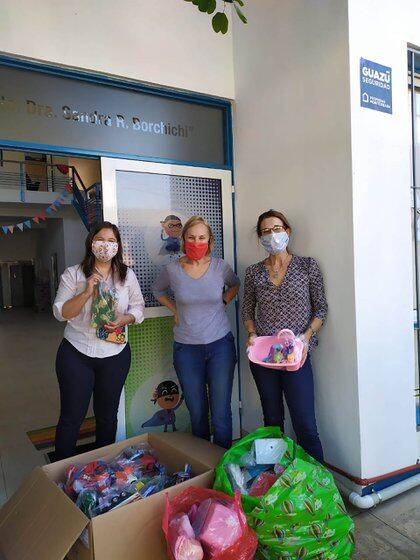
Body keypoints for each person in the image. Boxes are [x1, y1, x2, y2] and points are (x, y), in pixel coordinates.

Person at [53, 221, 145, 460]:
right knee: (72, 417)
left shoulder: (127, 275)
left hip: (115, 355)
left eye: (112, 241)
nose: (106, 245)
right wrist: (85, 292)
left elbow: (139, 307)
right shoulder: (73, 274)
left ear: (118, 246)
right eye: (101, 240)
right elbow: (61, 312)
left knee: (107, 416)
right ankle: (61, 474)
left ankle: (102, 471)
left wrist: (125, 318)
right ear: (91, 243)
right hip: (76, 353)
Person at [242, 209, 328, 463]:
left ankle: (317, 484)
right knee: (271, 421)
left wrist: (306, 337)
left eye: (277, 229)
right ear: (260, 237)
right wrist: (251, 334)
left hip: (296, 357)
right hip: (264, 357)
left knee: (305, 424)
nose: (272, 235)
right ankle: (274, 479)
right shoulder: (254, 272)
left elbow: (321, 308)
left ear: (287, 231)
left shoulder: (307, 266)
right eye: (266, 231)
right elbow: (247, 308)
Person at [152, 216, 240, 449]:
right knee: (197, 411)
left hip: (220, 345)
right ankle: (204, 464)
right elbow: (156, 289)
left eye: (201, 237)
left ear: (209, 240)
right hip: (186, 349)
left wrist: (223, 300)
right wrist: (174, 309)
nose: (196, 242)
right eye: (191, 237)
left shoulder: (221, 267)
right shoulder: (172, 269)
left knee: (220, 412)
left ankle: (222, 464)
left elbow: (235, 284)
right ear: (183, 239)